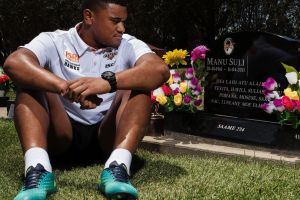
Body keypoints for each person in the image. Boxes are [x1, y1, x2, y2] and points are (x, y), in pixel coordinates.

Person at [3, 0, 170, 199]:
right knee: (31, 84)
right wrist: (66, 87)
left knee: (141, 86)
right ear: (89, 17)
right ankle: (37, 170)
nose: (121, 28)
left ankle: (117, 168)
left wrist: (107, 82)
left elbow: (159, 70)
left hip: (107, 136)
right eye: (115, 21)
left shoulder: (128, 43)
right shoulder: (56, 40)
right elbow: (14, 63)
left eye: (124, 21)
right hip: (61, 134)